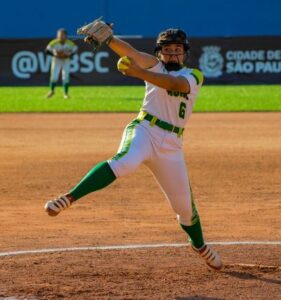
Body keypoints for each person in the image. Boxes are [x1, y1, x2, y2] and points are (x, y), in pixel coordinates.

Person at [44, 20, 223, 271]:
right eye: (167, 49)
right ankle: (69, 197)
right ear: (159, 52)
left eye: (177, 49)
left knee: (184, 208)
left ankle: (200, 245)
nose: (172, 53)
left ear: (185, 52)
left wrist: (139, 74)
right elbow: (132, 54)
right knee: (124, 162)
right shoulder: (155, 64)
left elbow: (175, 86)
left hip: (172, 145)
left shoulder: (193, 75)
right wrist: (109, 40)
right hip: (145, 130)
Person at [45, 28, 78, 99]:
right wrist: (55, 54)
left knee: (65, 76)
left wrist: (68, 55)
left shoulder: (69, 43)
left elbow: (75, 50)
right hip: (56, 60)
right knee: (54, 76)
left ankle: (65, 94)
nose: (60, 37)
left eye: (62, 35)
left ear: (66, 36)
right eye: (59, 35)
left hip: (66, 60)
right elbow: (47, 51)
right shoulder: (54, 42)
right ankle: (52, 91)